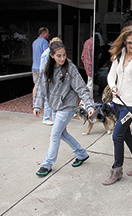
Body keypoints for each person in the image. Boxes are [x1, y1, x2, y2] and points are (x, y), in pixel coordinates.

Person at [33, 41, 95, 177]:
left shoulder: (70, 68)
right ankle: (81, 154)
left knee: (55, 135)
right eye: (59, 56)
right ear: (52, 55)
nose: (62, 59)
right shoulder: (47, 68)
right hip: (55, 106)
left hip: (67, 106)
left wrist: (89, 105)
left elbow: (82, 88)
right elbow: (41, 88)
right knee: (62, 134)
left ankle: (47, 164)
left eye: (64, 55)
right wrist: (37, 105)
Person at [102, 26, 132, 185]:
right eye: (129, 43)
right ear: (124, 42)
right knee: (125, 134)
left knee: (117, 135)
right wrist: (114, 87)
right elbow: (111, 76)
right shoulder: (119, 55)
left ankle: (116, 171)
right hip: (117, 102)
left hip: (130, 106)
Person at [31, 27, 52, 125]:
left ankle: (35, 104)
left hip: (34, 67)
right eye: (47, 33)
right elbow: (47, 56)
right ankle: (45, 113)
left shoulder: (34, 42)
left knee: (36, 85)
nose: (48, 35)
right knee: (45, 89)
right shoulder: (44, 43)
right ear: (44, 33)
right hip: (41, 68)